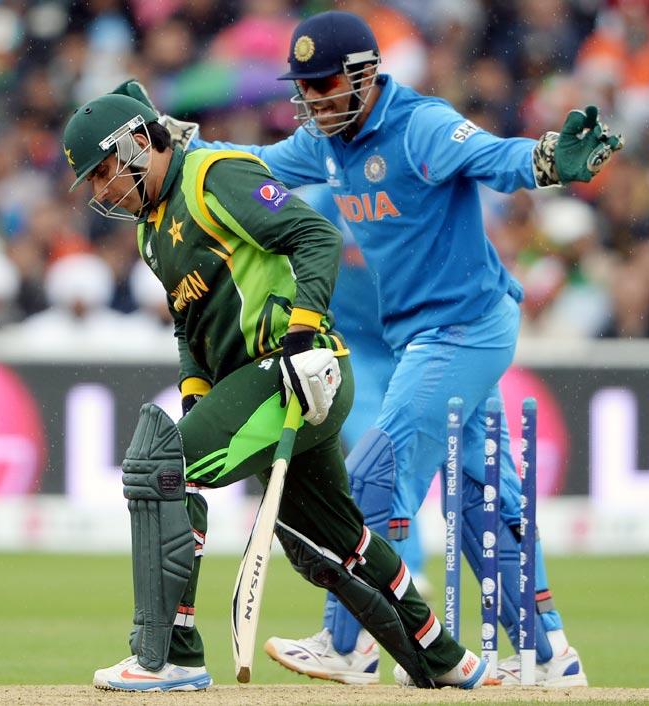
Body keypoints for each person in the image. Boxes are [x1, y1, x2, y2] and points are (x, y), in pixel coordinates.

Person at [183, 10, 623, 688]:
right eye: (306, 88)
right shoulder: (326, 144)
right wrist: (181, 155)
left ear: (364, 76)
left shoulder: (419, 125)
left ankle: (351, 643)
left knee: (372, 478)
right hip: (431, 334)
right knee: (480, 497)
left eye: (327, 84)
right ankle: (547, 654)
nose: (316, 100)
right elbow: (252, 167)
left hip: (464, 328)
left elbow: (492, 156)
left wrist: (542, 160)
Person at [61, 92, 494, 692]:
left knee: (163, 467)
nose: (102, 190)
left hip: (299, 370)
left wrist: (301, 333)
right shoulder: (151, 233)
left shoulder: (213, 176)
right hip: (260, 385)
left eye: (104, 171)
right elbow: (190, 324)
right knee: (336, 538)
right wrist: (195, 395)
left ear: (136, 143)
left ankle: (171, 655)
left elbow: (315, 237)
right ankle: (442, 656)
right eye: (94, 181)